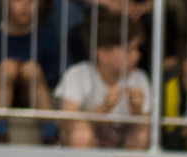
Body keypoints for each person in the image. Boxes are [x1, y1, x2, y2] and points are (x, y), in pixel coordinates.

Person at [54, 12, 149, 149]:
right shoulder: (78, 74)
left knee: (143, 134)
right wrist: (102, 110)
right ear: (102, 53)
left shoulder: (139, 78)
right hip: (88, 147)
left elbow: (147, 129)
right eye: (129, 50)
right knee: (80, 133)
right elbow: (67, 122)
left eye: (137, 48)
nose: (137, 55)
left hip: (124, 149)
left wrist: (137, 112)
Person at [0, 0, 60, 144]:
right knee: (7, 67)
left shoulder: (46, 37)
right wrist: (12, 71)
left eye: (31, 1)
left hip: (29, 95)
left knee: (31, 69)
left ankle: (50, 133)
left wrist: (22, 72)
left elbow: (53, 77)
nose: (25, 6)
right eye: (19, 0)